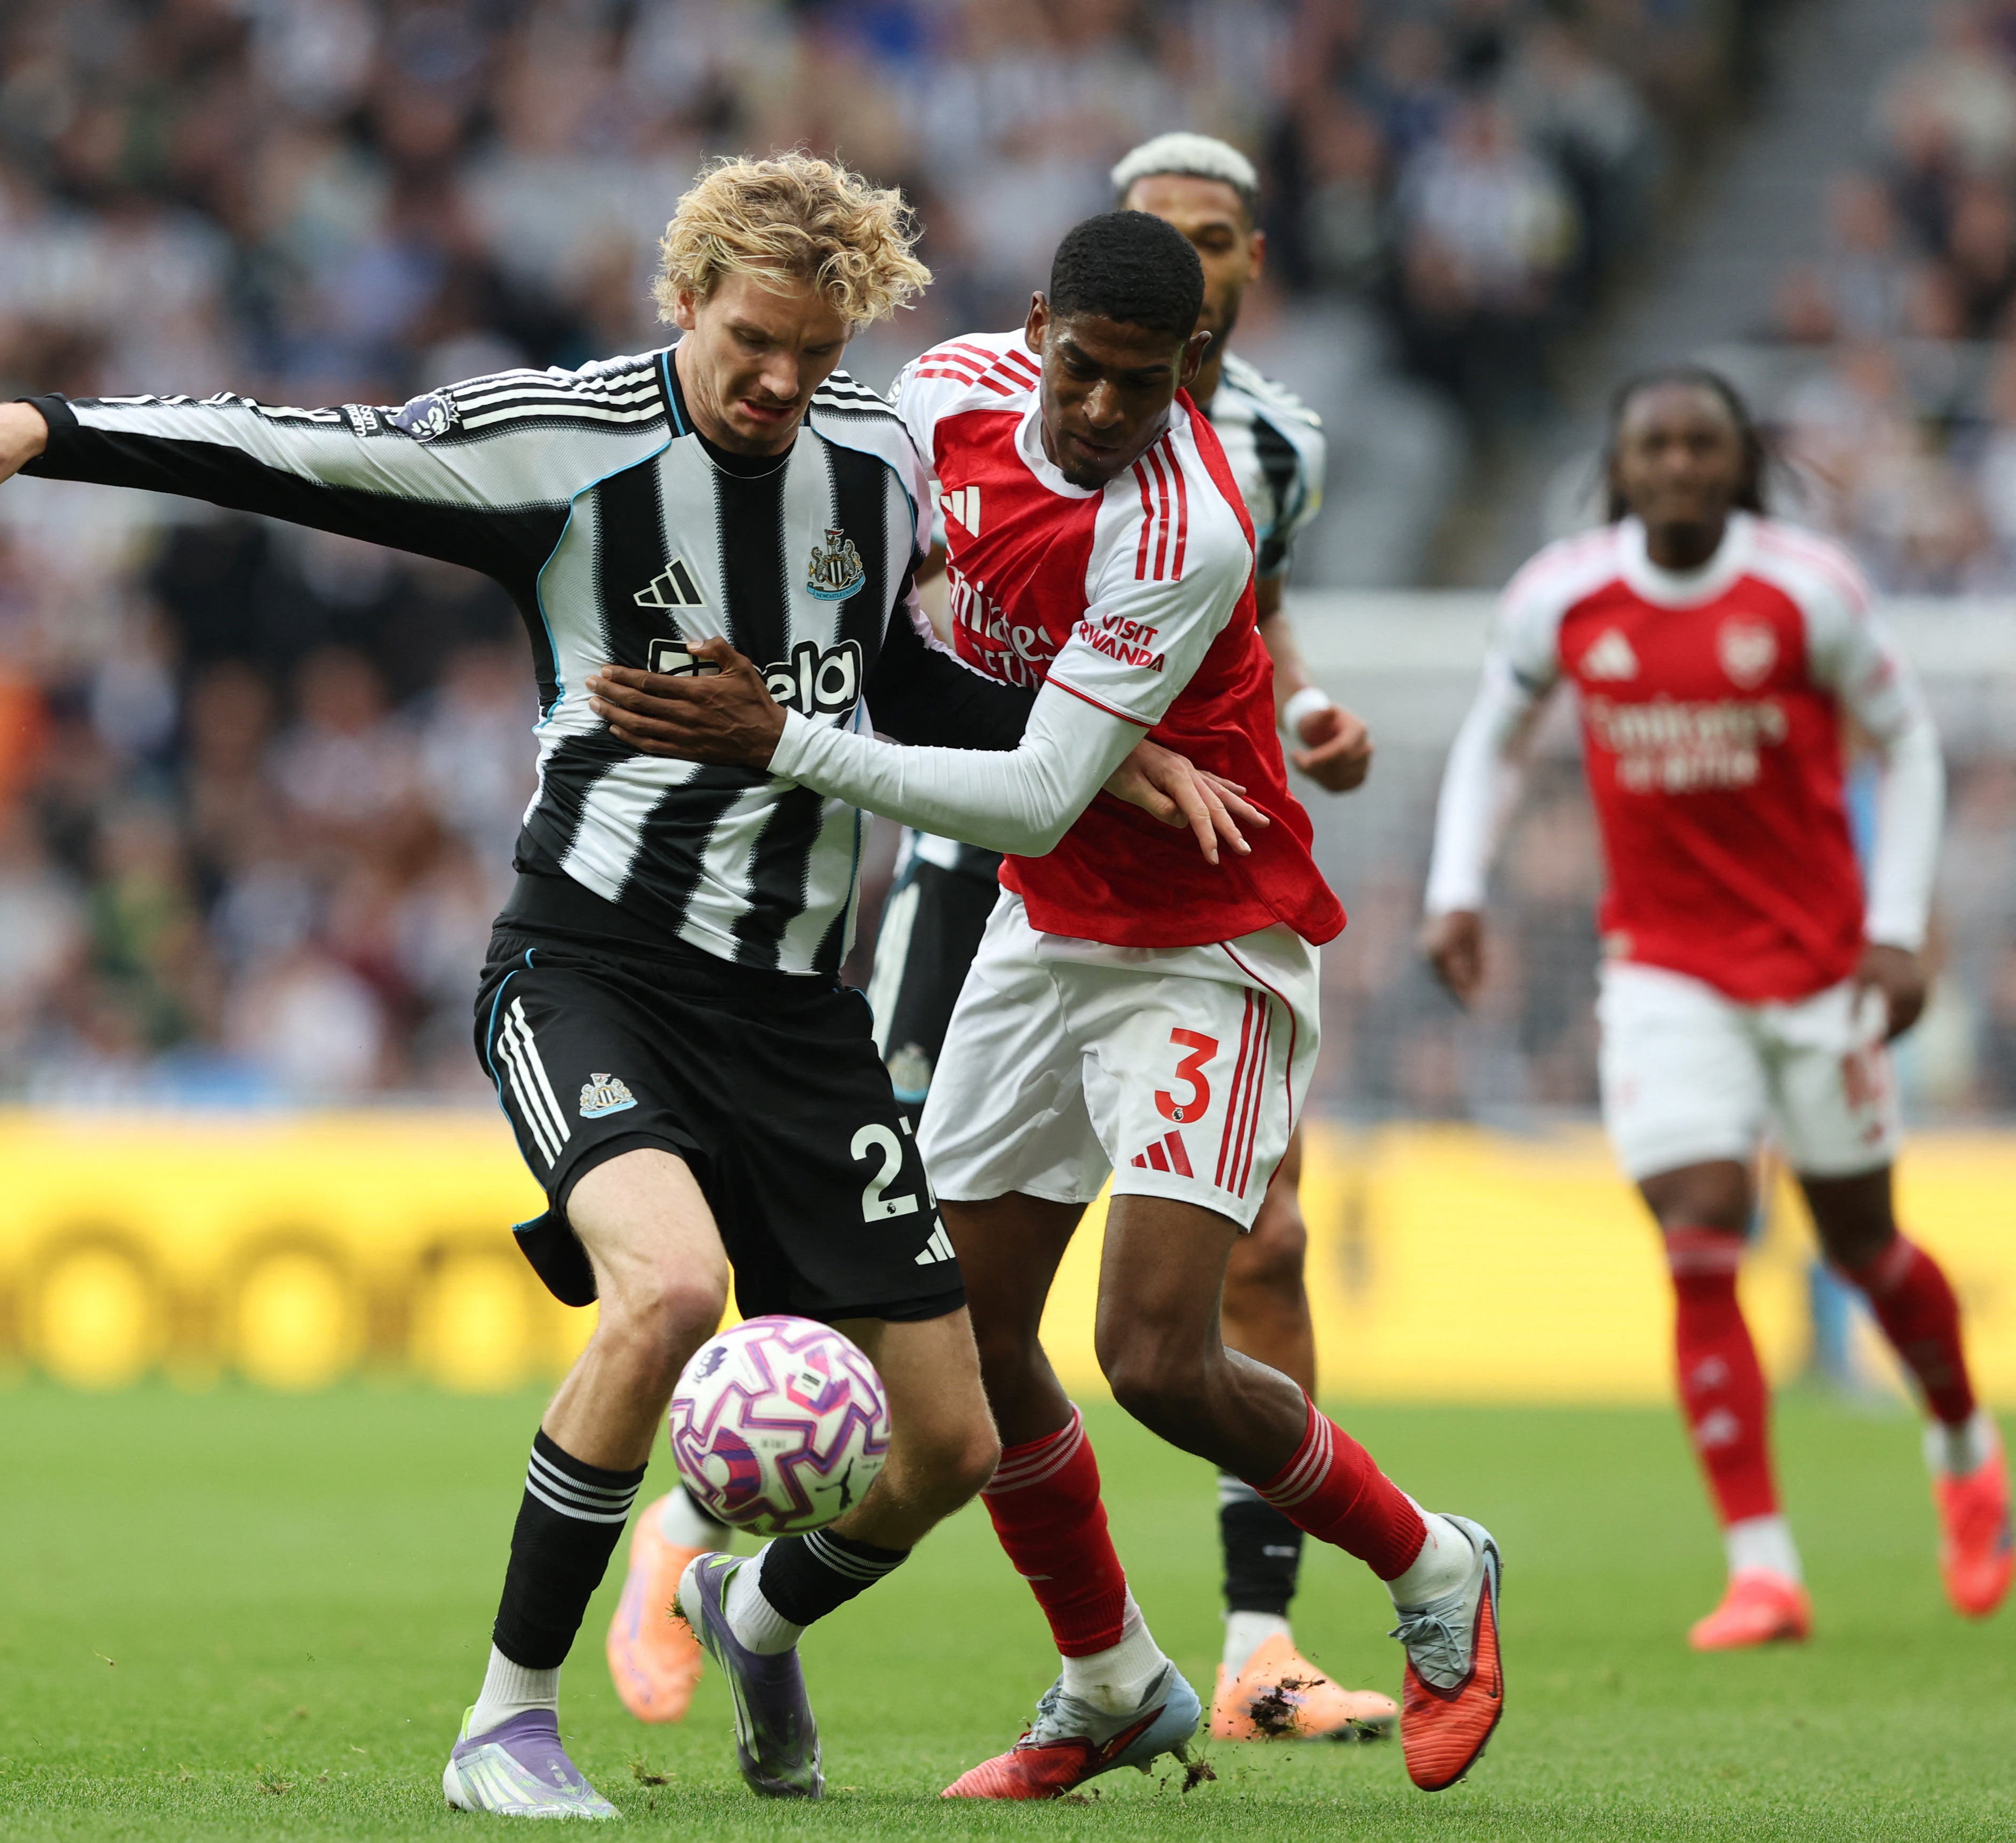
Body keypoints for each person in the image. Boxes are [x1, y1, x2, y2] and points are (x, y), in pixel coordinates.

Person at [0, 154, 1235, 1820]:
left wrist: (1105, 759)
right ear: (683, 300)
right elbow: (305, 451)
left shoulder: (874, 458)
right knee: (664, 1291)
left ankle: (747, 1607)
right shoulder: (561, 442)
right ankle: (505, 1720)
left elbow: (892, 681)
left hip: (797, 1014)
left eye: (811, 351)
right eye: (747, 342)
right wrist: (53, 429)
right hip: (591, 965)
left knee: (945, 1443)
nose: (778, 383)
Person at [590, 209, 1506, 1799]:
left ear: (1185, 376)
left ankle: (1432, 1565)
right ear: (1032, 330)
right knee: (967, 1334)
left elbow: (1022, 795)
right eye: (1079, 371)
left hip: (1206, 939)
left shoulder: (1184, 532)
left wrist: (780, 739)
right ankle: (1104, 1677)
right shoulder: (937, 397)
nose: (1098, 411)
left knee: (1150, 1354)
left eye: (1138, 388)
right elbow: (874, 594)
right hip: (1042, 930)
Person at [1423, 367, 2010, 1647]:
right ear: (1620, 465)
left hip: (1814, 971)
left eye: (1700, 445)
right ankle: (1761, 1567)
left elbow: (1906, 748)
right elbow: (1492, 734)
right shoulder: (1563, 593)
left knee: (1863, 1240)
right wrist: (1455, 887)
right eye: (1653, 446)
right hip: (1661, 971)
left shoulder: (1805, 589)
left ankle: (1964, 1447)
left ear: (1734, 460)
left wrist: (1899, 935)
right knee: (1698, 1230)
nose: (1677, 465)